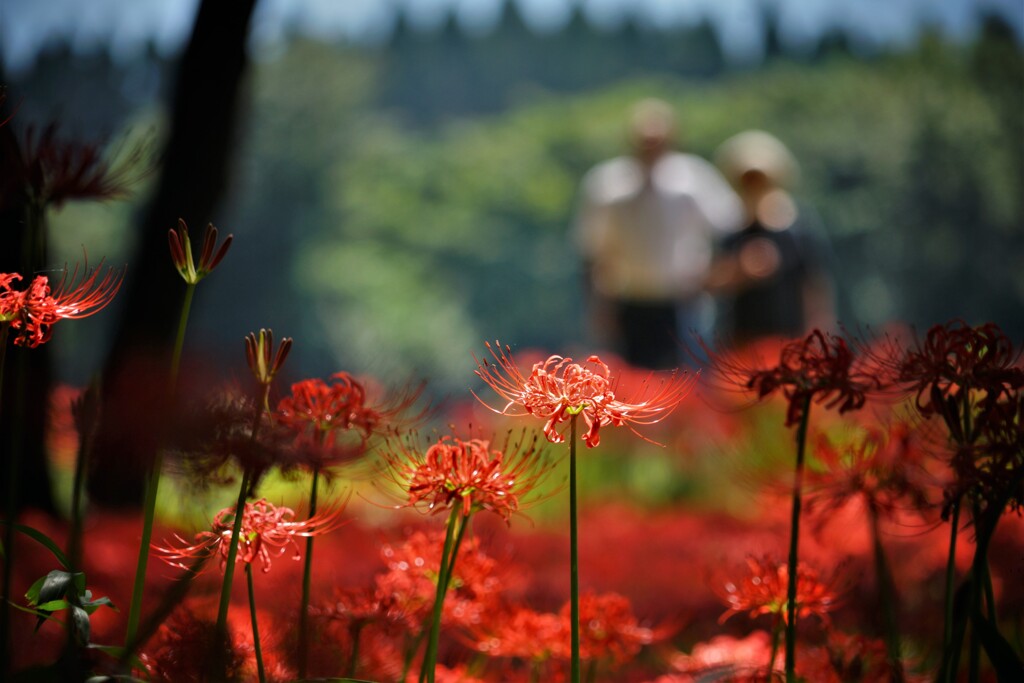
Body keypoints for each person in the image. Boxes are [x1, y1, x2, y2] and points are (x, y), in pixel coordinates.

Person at [573, 99, 743, 369]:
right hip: (628, 301)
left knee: (687, 383)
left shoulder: (693, 179)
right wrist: (599, 306)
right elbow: (593, 251)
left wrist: (717, 275)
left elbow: (731, 225)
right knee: (630, 384)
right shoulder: (607, 184)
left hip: (683, 301)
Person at [707, 130, 835, 345]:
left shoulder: (796, 228)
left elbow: (815, 284)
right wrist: (740, 270)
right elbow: (711, 282)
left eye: (759, 180)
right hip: (742, 340)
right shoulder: (730, 227)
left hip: (790, 339)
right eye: (748, 181)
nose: (754, 187)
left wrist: (820, 335)